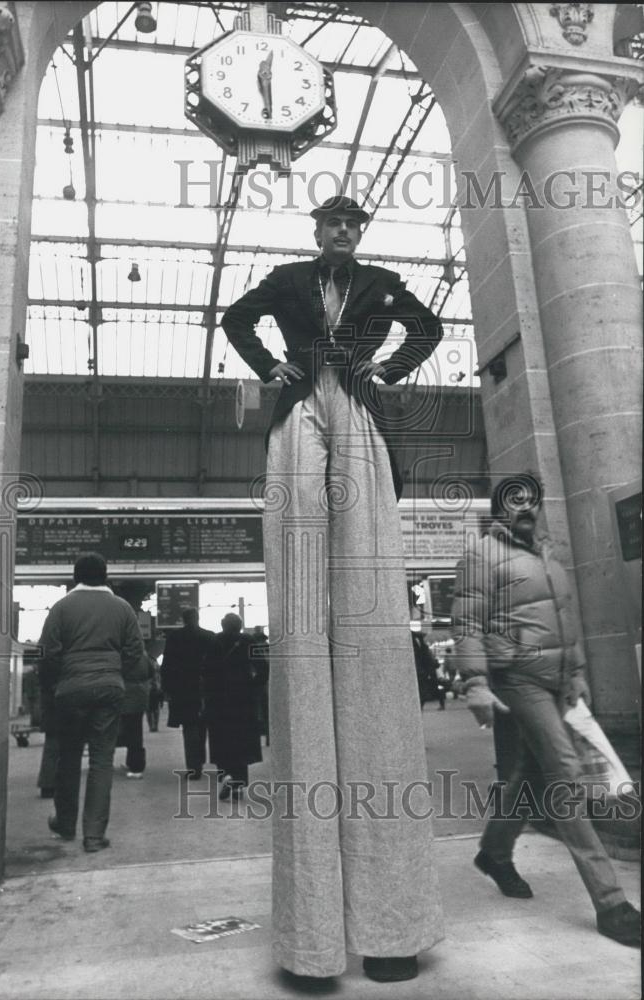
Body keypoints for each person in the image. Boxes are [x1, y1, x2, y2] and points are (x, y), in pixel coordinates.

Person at [221, 195, 445, 983]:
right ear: (317, 229)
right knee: (302, 584)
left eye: (352, 223)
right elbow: (235, 320)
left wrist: (388, 368)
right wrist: (266, 368)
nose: (342, 231)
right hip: (298, 409)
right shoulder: (285, 279)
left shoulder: (381, 281)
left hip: (357, 407)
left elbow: (429, 327)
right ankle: (314, 938)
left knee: (370, 621)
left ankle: (390, 930)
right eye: (332, 223)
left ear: (359, 233)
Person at [451, 474, 640, 948]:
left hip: (557, 680)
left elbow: (566, 620)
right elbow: (467, 622)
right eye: (515, 501)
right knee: (567, 776)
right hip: (518, 677)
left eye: (531, 500)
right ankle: (611, 902)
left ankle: (494, 852)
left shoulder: (549, 556)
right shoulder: (481, 555)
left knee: (531, 774)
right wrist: (475, 682)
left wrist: (575, 672)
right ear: (499, 510)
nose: (525, 508)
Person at [38, 552, 145, 853]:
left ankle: (65, 823)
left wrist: (59, 680)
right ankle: (94, 835)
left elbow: (47, 652)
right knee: (101, 761)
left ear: (75, 577)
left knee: (68, 757)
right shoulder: (122, 608)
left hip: (70, 690)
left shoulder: (61, 608)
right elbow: (135, 653)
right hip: (109, 689)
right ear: (106, 576)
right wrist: (114, 672)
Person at [204, 613, 266, 800]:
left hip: (218, 698)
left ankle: (227, 775)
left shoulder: (214, 642)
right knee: (242, 739)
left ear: (222, 625)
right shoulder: (248, 641)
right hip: (243, 698)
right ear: (240, 626)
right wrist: (253, 686)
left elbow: (205, 670)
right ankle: (239, 782)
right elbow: (263, 668)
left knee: (222, 738)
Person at [160, 608, 214, 780]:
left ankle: (193, 766)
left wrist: (166, 688)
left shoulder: (175, 638)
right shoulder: (209, 636)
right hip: (205, 687)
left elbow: (167, 665)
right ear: (197, 618)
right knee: (202, 724)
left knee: (189, 726)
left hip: (182, 688)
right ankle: (200, 759)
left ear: (183, 620)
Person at [116, 649, 156, 779]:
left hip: (122, 694)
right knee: (136, 731)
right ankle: (135, 763)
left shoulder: (118, 654)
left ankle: (134, 765)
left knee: (123, 730)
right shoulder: (142, 654)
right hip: (139, 695)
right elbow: (151, 672)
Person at [412, 631, 445, 710]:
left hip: (425, 670)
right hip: (429, 670)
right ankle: (440, 704)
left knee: (423, 688)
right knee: (433, 687)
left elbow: (429, 659)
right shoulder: (423, 647)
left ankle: (421, 706)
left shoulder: (421, 648)